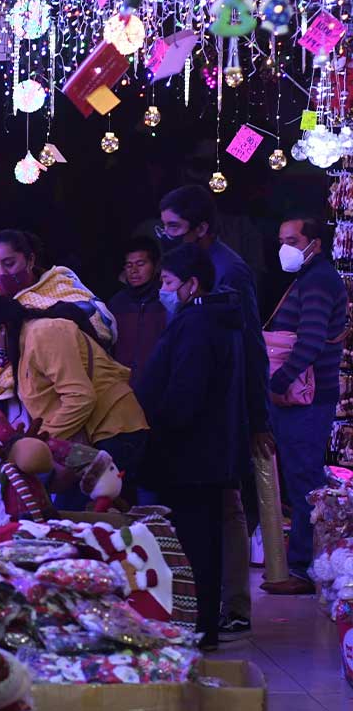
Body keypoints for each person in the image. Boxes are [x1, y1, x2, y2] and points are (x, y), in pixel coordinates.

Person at [157, 185, 272, 638]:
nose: (165, 235)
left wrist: (257, 417)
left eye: (174, 228)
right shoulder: (190, 268)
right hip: (203, 407)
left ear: (200, 229)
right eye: (163, 226)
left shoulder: (230, 272)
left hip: (221, 408)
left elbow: (251, 348)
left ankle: (234, 605)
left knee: (225, 506)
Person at [136, 245, 250, 650]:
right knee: (202, 541)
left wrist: (157, 426)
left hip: (189, 455)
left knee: (193, 545)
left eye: (167, 282)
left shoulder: (197, 323)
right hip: (205, 452)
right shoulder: (213, 319)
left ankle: (196, 628)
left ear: (191, 284)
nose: (164, 290)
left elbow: (186, 391)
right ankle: (200, 626)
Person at [0, 294, 149, 503]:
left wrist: (36, 443)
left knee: (86, 525)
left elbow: (80, 397)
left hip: (114, 433)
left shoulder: (42, 333)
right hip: (92, 441)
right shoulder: (24, 347)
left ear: (1, 329)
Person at [0, 230, 116, 426]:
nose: (1, 273)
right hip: (12, 410)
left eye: (9, 264)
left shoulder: (62, 286)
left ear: (30, 259)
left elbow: (103, 327)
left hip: (65, 403)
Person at [262, 216, 348, 595]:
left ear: (314, 242)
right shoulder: (312, 278)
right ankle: (304, 565)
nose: (286, 247)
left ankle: (303, 569)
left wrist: (277, 381)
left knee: (304, 482)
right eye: (282, 240)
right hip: (302, 397)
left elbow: (310, 340)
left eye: (293, 240)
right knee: (302, 479)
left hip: (304, 399)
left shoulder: (317, 280)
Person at [107, 237, 167, 385]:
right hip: (123, 385)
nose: (134, 271)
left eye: (140, 264)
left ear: (156, 266)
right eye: (129, 265)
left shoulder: (167, 300)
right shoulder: (116, 303)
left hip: (159, 383)